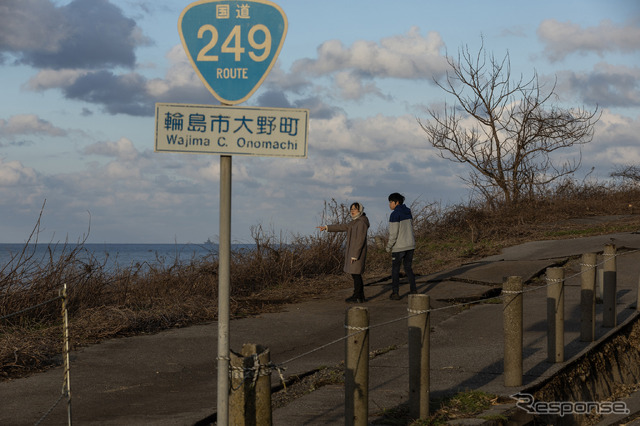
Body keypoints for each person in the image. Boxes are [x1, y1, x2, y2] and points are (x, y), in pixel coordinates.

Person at [317, 202, 370, 303]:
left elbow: (360, 240)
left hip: (357, 253)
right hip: (354, 253)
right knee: (355, 275)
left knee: (356, 274)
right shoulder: (355, 222)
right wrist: (327, 227)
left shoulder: (361, 223)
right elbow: (342, 227)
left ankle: (357, 296)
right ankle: (360, 296)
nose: (352, 211)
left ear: (360, 210)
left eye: (355, 209)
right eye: (351, 209)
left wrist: (355, 255)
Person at [386, 193, 416, 299]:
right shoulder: (408, 211)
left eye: (390, 202)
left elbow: (393, 234)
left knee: (395, 270)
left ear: (396, 202)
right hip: (410, 244)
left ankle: (395, 293)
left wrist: (388, 246)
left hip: (399, 247)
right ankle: (413, 290)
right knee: (408, 268)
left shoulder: (394, 214)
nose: (389, 204)